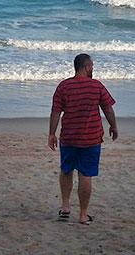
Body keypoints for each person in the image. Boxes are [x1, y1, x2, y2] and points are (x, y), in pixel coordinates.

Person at [47, 53, 118, 225]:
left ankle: (65, 207)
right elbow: (108, 109)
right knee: (86, 174)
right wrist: (113, 126)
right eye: (92, 66)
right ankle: (83, 215)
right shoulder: (96, 86)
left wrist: (51, 133)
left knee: (66, 170)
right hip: (91, 138)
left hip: (69, 137)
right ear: (86, 67)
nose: (93, 69)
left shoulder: (64, 86)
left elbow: (56, 112)